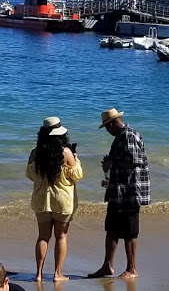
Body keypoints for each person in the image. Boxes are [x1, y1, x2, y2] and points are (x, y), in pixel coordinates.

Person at [89, 108, 150, 280]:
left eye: (107, 128)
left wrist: (111, 162)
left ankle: (132, 269)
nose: (107, 131)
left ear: (113, 123)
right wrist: (110, 179)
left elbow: (135, 162)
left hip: (130, 192)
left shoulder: (128, 135)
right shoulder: (124, 136)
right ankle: (107, 266)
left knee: (130, 232)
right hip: (120, 189)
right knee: (111, 229)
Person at [26, 126, 82, 281]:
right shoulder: (66, 152)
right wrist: (75, 158)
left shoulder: (35, 153)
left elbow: (30, 174)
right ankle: (57, 274)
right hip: (62, 200)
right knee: (61, 236)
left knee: (43, 237)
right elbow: (77, 175)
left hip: (41, 200)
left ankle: (38, 274)